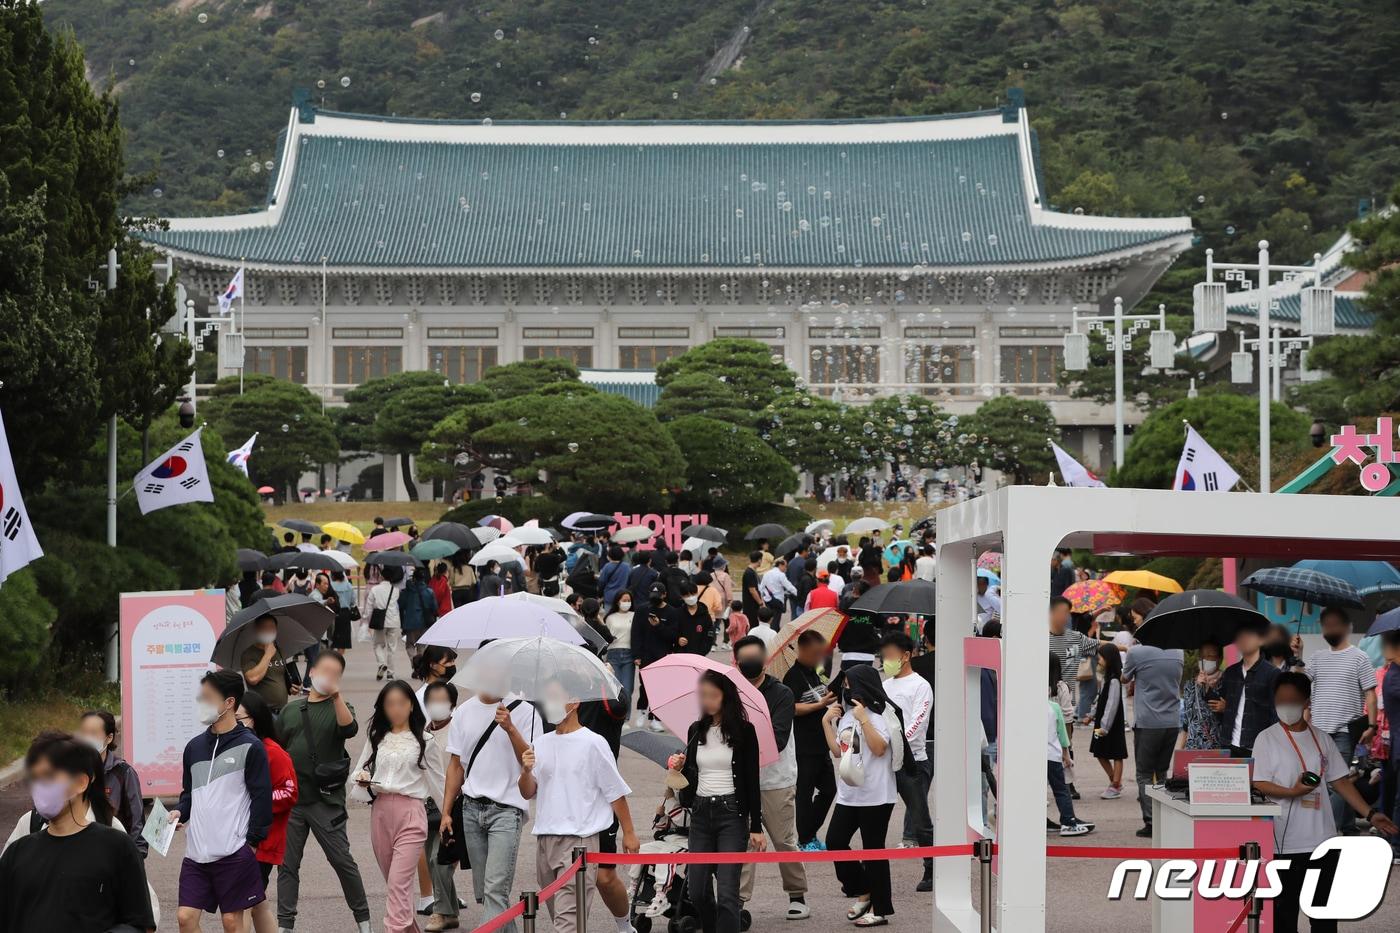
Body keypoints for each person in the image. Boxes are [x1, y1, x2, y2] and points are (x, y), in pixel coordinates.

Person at [1251, 672, 1399, 933]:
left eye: (1292, 700)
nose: (1286, 706)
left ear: (1307, 702)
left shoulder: (1322, 739)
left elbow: (1340, 781)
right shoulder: (1266, 738)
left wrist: (1371, 812)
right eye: (1280, 700)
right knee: (1283, 914)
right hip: (1283, 842)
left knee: (1324, 914)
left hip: (1322, 840)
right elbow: (1259, 783)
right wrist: (1292, 792)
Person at [518, 676, 641, 933]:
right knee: (561, 918)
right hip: (545, 840)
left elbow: (615, 791)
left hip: (579, 841)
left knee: (568, 923)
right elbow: (528, 792)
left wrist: (629, 833)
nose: (547, 704)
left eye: (553, 697)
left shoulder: (593, 743)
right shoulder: (540, 743)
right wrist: (526, 771)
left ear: (573, 702)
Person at [0, 732, 156, 932]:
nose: (40, 786)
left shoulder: (117, 846)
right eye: (35, 777)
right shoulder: (17, 853)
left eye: (49, 775)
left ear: (81, 783)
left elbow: (141, 924)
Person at [276, 650, 373, 932]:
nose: (328, 677)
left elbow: (349, 729)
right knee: (287, 865)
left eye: (335, 674)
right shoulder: (291, 710)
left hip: (325, 801)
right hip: (293, 801)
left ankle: (363, 921)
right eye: (324, 671)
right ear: (312, 673)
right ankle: (285, 925)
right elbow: (278, 748)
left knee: (342, 861)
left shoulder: (342, 706)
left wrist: (337, 696)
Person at [173, 669, 273, 933]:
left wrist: (251, 843)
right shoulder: (194, 747)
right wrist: (179, 814)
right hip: (196, 853)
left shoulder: (251, 746)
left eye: (207, 697)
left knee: (232, 922)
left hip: (233, 850)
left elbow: (262, 799)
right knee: (185, 917)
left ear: (229, 703)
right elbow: (189, 794)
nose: (200, 702)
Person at [440, 680, 543, 933]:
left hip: (507, 811)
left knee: (495, 889)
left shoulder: (526, 711)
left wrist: (510, 728)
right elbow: (456, 766)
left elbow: (531, 761)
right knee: (486, 894)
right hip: (471, 809)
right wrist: (445, 811)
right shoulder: (464, 711)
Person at [672, 671, 765, 933]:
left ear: (727, 696)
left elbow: (752, 781)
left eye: (714, 695)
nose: (708, 701)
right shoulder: (695, 730)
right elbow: (690, 776)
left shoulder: (745, 732)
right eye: (703, 696)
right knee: (698, 891)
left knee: (727, 894)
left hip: (731, 814)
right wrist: (680, 765)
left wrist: (756, 826)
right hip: (701, 813)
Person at [350, 680, 445, 933]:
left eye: (402, 703)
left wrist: (448, 816)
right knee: (395, 887)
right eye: (390, 704)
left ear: (412, 706)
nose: (396, 709)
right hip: (380, 813)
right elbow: (359, 769)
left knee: (398, 884)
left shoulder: (425, 740)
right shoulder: (377, 738)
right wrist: (362, 778)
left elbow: (438, 782)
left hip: (412, 814)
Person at [733, 637, 809, 921]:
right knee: (743, 842)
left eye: (755, 657)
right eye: (744, 658)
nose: (750, 662)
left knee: (784, 840)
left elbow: (776, 739)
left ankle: (797, 894)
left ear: (765, 660)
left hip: (776, 779)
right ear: (736, 661)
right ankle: (738, 901)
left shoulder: (781, 693)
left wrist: (738, 737)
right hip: (741, 780)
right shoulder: (731, 692)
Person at [821, 664, 900, 926]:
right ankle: (864, 889)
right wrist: (826, 722)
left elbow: (878, 749)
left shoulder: (880, 716)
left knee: (873, 851)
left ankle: (880, 909)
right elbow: (838, 751)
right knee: (834, 842)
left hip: (876, 795)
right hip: (849, 793)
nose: (844, 689)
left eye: (848, 684)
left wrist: (864, 718)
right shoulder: (846, 715)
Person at [1304, 605, 1378, 834]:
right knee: (1338, 781)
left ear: (1346, 627)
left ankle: (1330, 830)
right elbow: (1301, 685)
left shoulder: (1360, 657)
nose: (1331, 628)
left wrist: (1372, 726)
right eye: (1327, 624)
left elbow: (1370, 693)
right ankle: (1348, 827)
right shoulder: (1317, 658)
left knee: (1334, 783)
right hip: (1318, 731)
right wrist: (1296, 656)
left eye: (1335, 624)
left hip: (1346, 730)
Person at [235, 690, 298, 933]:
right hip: (239, 838)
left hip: (262, 841)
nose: (235, 724)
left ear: (256, 718)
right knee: (256, 902)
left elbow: (290, 793)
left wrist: (257, 800)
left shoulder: (273, 752)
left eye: (240, 718)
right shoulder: (238, 748)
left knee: (242, 905)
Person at [878, 632, 935, 891]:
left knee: (920, 819)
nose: (886, 660)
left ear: (906, 655)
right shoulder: (886, 685)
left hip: (913, 764)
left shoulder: (920, 686)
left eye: (890, 656)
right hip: (885, 762)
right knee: (874, 814)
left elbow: (918, 723)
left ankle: (931, 869)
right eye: (884, 656)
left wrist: (894, 742)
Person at [1122, 635, 1184, 838]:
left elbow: (1125, 678)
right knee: (1162, 772)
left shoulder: (1137, 652)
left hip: (1148, 721)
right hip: (1172, 721)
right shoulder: (1178, 651)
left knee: (1144, 773)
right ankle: (1164, 817)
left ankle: (1150, 821)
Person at [785, 630, 837, 851]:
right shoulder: (793, 676)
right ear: (803, 650)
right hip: (804, 745)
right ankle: (805, 839)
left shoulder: (814, 672)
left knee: (829, 790)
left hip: (821, 742)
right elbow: (792, 708)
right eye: (816, 653)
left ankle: (809, 833)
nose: (819, 658)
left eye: (821, 653)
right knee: (804, 794)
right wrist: (819, 704)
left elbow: (819, 695)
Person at [76, 710, 146, 857]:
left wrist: (134, 858)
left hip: (115, 857)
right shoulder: (71, 772)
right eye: (84, 733)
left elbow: (136, 823)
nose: (87, 738)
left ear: (109, 738)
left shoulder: (124, 773)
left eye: (93, 733)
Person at [422, 682, 461, 932]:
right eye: (432, 700)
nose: (437, 705)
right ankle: (451, 911)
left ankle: (441, 911)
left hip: (452, 805)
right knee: (432, 860)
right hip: (426, 807)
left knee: (440, 859)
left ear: (452, 704)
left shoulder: (458, 731)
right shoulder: (422, 732)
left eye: (442, 699)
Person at [1046, 655, 1094, 838]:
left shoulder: (1032, 700)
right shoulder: (1057, 700)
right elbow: (1064, 728)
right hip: (1054, 751)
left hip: (1038, 752)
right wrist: (1067, 751)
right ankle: (1069, 821)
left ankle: (1042, 820)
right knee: (1062, 788)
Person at [1212, 626, 1280, 758]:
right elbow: (1220, 707)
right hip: (1228, 744)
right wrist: (1207, 689)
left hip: (1257, 747)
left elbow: (1275, 714)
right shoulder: (1230, 672)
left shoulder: (1272, 673)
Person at [632, 582, 677, 731]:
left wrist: (658, 625)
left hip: (663, 655)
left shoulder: (671, 612)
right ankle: (642, 712)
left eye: (658, 595)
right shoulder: (642, 610)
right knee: (645, 686)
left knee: (660, 688)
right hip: (645, 655)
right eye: (652, 594)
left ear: (664, 595)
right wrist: (636, 654)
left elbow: (672, 636)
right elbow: (636, 633)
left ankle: (656, 718)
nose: (655, 597)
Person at [1088, 643, 1127, 800]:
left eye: (1101, 656)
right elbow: (1100, 700)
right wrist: (1091, 715)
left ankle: (1115, 784)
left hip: (1111, 725)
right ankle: (1114, 781)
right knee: (1099, 751)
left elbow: (1111, 704)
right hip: (1101, 723)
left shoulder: (1114, 681)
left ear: (1109, 658)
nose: (1098, 659)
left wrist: (1104, 726)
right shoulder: (1106, 679)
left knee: (1117, 753)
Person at [241, 614, 296, 713]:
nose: (268, 631)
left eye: (271, 627)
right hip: (263, 712)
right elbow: (253, 679)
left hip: (283, 710)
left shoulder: (279, 651)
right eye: (264, 628)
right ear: (256, 630)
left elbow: (280, 677)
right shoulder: (249, 654)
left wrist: (291, 687)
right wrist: (267, 655)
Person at [1181, 640, 1225, 750]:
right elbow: (1187, 724)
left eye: (1211, 656)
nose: (1205, 659)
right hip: (1193, 748)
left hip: (1217, 748)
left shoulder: (1227, 683)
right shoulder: (1190, 685)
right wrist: (1180, 749)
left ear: (1219, 659)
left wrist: (1226, 708)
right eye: (1202, 656)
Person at [370, 565, 407, 681]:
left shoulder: (375, 589)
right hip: (394, 620)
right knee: (392, 648)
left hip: (380, 621)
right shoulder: (396, 590)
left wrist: (366, 619)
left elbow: (369, 605)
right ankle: (390, 673)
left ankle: (382, 663)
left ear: (381, 576)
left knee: (378, 644)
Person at [400, 567, 439, 662]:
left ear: (414, 578)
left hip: (410, 622)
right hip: (425, 622)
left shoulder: (407, 592)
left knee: (410, 645)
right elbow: (434, 608)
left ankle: (415, 663)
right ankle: (420, 665)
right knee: (421, 646)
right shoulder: (429, 591)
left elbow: (401, 604)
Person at [604, 591, 636, 698]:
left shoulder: (635, 615)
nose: (627, 603)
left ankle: (626, 715)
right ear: (618, 602)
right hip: (613, 654)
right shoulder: (610, 617)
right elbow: (606, 637)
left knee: (627, 690)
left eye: (629, 601)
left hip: (629, 654)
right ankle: (617, 714)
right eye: (624, 600)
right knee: (615, 690)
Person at [670, 580, 714, 655]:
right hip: (681, 655)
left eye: (693, 594)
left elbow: (709, 635)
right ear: (682, 596)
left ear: (697, 593)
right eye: (687, 595)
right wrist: (677, 639)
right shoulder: (677, 613)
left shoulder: (705, 614)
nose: (690, 597)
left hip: (699, 655)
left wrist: (702, 652)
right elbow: (671, 632)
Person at [412, 645, 459, 711]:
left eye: (453, 661)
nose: (452, 665)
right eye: (448, 662)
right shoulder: (421, 697)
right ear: (433, 665)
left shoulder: (448, 689)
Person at [330, 571, 357, 651]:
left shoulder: (331, 586)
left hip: (333, 611)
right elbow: (353, 601)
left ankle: (330, 656)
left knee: (331, 636)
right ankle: (339, 659)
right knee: (343, 641)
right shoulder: (349, 586)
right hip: (345, 613)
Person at [741, 551, 764, 622]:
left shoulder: (752, 571)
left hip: (753, 604)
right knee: (752, 624)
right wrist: (760, 603)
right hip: (750, 605)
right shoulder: (749, 573)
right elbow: (752, 590)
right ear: (759, 560)